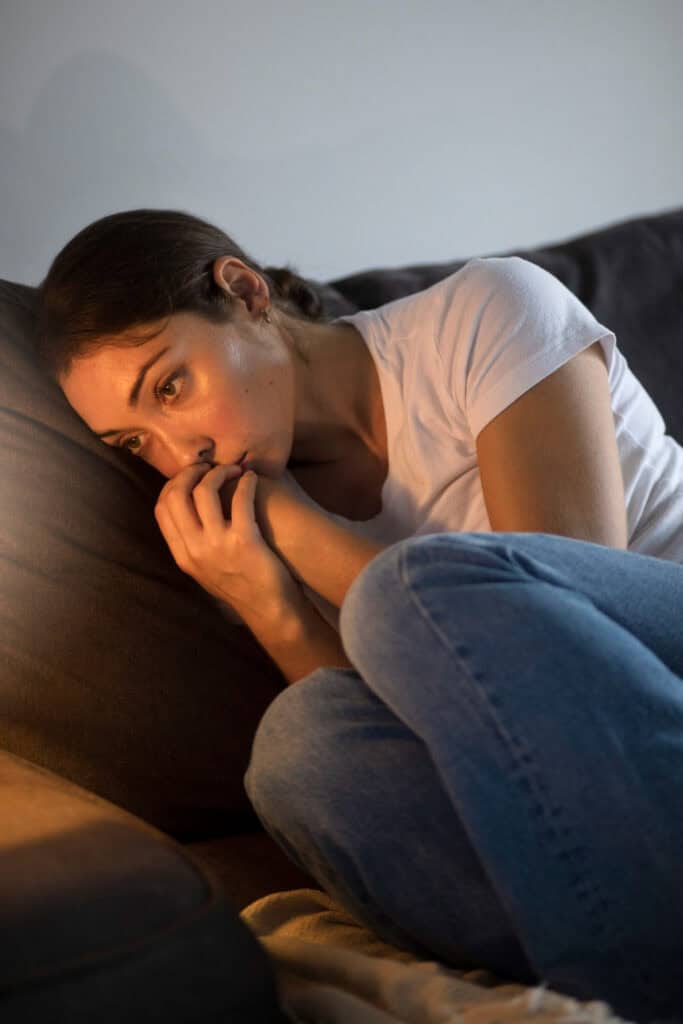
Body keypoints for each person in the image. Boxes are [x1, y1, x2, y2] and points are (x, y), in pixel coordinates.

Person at [37, 208, 683, 1022]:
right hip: (557, 800)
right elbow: (434, 744)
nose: (179, 456)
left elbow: (562, 606)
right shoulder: (234, 518)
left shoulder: (485, 310)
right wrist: (269, 607)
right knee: (301, 750)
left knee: (407, 590)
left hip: (658, 648)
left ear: (243, 292)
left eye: (170, 387)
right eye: (135, 442)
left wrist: (300, 533)